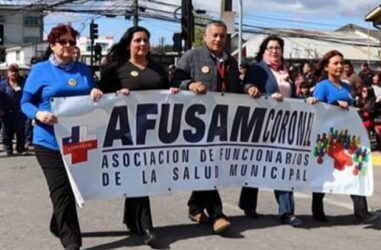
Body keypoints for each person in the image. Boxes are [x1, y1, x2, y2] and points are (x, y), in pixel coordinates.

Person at [20, 24, 103, 250]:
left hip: (78, 141)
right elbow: (25, 103)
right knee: (62, 190)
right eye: (63, 42)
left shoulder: (83, 70)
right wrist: (38, 113)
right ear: (52, 44)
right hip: (48, 143)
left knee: (74, 190)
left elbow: (92, 95)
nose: (68, 46)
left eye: (71, 42)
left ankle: (58, 222)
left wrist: (95, 92)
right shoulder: (39, 71)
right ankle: (72, 242)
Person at [99, 26, 173, 245]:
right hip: (125, 132)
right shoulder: (116, 70)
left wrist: (175, 93)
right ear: (129, 43)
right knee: (138, 174)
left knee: (139, 174)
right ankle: (147, 226)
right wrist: (115, 96)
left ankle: (131, 219)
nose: (142, 44)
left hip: (153, 133)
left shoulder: (158, 70)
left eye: (145, 41)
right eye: (138, 40)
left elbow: (168, 95)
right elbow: (101, 98)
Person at [171, 20, 241, 234]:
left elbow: (236, 88)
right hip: (195, 123)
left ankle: (194, 206)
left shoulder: (230, 62)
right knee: (206, 163)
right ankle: (217, 214)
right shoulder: (192, 56)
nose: (219, 39)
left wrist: (250, 88)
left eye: (222, 36)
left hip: (221, 122)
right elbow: (176, 77)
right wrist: (190, 85)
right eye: (215, 35)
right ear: (205, 37)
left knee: (210, 164)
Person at [307, 50, 377, 224]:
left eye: (341, 63)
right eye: (335, 63)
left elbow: (350, 111)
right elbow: (317, 111)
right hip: (327, 140)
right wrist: (334, 104)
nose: (340, 66)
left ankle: (362, 212)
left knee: (355, 171)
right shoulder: (322, 86)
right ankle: (317, 210)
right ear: (326, 66)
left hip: (346, 139)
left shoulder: (346, 86)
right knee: (324, 173)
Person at [238, 35, 302, 226]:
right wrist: (265, 95)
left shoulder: (285, 71)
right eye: (270, 47)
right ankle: (248, 204)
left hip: (284, 125)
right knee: (257, 165)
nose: (274, 51)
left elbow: (290, 95)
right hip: (262, 123)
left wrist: (305, 101)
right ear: (264, 50)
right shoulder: (258, 68)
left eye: (277, 48)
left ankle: (287, 212)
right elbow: (247, 88)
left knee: (283, 166)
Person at [0, 64, 27, 156]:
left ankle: (20, 148)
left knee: (21, 132)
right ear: (7, 73)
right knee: (7, 133)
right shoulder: (2, 84)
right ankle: (8, 149)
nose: (13, 73)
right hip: (6, 112)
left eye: (15, 71)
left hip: (20, 112)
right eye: (11, 71)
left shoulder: (24, 83)